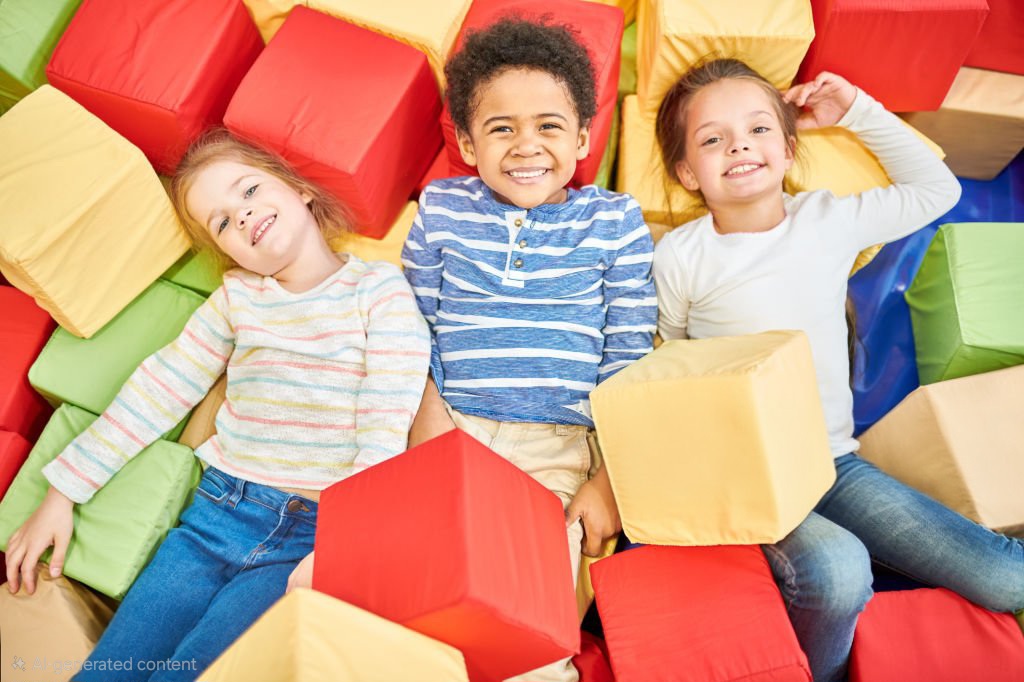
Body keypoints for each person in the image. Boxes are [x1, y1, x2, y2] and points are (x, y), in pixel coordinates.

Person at [4, 130, 431, 681]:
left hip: (312, 535)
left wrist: (347, 544)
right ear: (224, 248)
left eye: (249, 190)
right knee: (111, 672)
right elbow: (160, 389)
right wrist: (62, 493)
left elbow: (385, 423)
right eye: (223, 222)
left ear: (299, 189)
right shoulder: (236, 300)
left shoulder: (378, 289)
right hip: (215, 515)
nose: (243, 216)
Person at [652, 58, 1024, 682]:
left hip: (833, 464)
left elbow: (939, 191)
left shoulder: (825, 220)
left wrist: (855, 111)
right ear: (688, 172)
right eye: (712, 138)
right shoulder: (682, 256)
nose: (739, 144)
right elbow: (665, 363)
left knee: (1005, 574)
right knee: (840, 570)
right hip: (748, 475)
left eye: (758, 129)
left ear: (789, 148)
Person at [402, 17, 657, 682]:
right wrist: (426, 418)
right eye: (501, 127)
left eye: (548, 126)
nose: (526, 146)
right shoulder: (441, 208)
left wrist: (611, 480)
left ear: (580, 139)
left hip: (558, 447)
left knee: (529, 640)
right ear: (466, 143)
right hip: (448, 432)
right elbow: (408, 323)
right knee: (418, 617)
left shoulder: (615, 221)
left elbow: (630, 355)